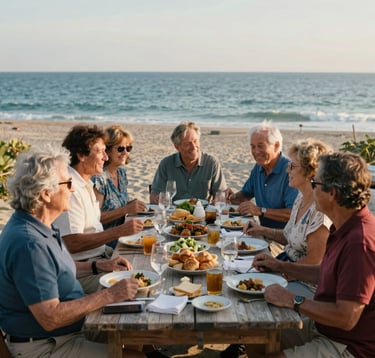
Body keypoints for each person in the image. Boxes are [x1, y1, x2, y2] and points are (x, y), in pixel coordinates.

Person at [0, 146, 145, 358]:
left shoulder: (39, 225)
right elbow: (50, 317)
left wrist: (98, 265)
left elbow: (54, 270)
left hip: (68, 330)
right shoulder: (30, 244)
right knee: (137, 355)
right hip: (46, 345)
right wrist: (109, 295)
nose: (73, 189)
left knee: (138, 336)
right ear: (46, 194)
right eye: (68, 183)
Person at [250, 152, 375, 358]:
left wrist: (292, 299)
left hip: (348, 345)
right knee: (255, 332)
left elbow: (346, 318)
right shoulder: (345, 226)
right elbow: (326, 274)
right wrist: (280, 266)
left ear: (332, 193)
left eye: (315, 183)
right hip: (325, 328)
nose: (311, 187)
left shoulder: (359, 243)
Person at [53, 125, 144, 294]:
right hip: (81, 270)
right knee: (139, 287)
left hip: (100, 256)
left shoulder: (86, 182)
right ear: (81, 155)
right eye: (100, 151)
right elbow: (72, 243)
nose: (105, 157)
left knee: (144, 262)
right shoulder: (70, 187)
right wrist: (118, 231)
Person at [244, 139, 332, 273]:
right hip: (286, 263)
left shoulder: (320, 211)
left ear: (310, 171)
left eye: (292, 166)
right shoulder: (301, 198)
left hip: (303, 279)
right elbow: (290, 237)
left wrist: (280, 271)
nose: (287, 170)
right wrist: (261, 230)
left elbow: (314, 262)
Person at [226, 121, 298, 230]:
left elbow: (294, 214)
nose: (256, 152)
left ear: (276, 145)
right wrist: (232, 197)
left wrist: (260, 210)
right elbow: (245, 195)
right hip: (263, 232)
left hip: (285, 239)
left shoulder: (290, 170)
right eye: (253, 147)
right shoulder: (258, 167)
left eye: (260, 146)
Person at [92, 125, 147, 248]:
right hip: (107, 242)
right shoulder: (99, 178)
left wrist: (130, 204)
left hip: (125, 235)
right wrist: (126, 209)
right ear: (108, 150)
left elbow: (117, 203)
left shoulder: (121, 172)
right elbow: (95, 219)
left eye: (128, 148)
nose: (125, 153)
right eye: (120, 148)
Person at [150, 121, 227, 204]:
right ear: (177, 147)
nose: (193, 147)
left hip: (202, 214)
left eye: (195, 141)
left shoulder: (212, 163)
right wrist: (157, 199)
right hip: (174, 214)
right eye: (187, 144)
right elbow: (154, 195)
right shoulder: (166, 164)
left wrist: (218, 201)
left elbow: (221, 195)